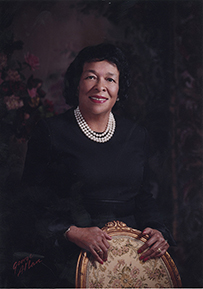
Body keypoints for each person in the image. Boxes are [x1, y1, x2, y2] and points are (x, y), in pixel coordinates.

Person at [18, 43, 175, 287]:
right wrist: (73, 232)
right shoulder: (50, 132)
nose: (100, 86)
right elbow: (28, 203)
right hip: (69, 253)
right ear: (77, 83)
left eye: (110, 79)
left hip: (131, 258)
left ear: (119, 88)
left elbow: (142, 196)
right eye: (91, 76)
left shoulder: (136, 135)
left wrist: (158, 230)